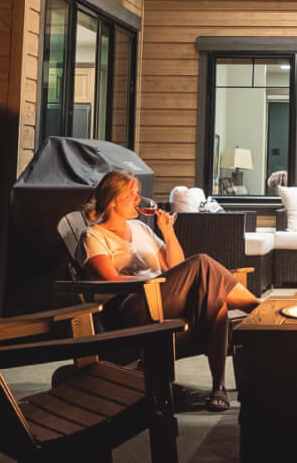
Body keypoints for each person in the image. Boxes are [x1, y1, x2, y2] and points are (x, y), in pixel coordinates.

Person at [79, 170, 259, 411]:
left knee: (216, 303)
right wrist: (153, 283)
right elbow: (108, 278)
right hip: (130, 307)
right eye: (132, 195)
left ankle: (219, 387)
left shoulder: (141, 229)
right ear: (113, 201)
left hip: (163, 300)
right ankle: (258, 309)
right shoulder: (93, 235)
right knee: (203, 264)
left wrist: (168, 231)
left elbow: (174, 266)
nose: (138, 200)